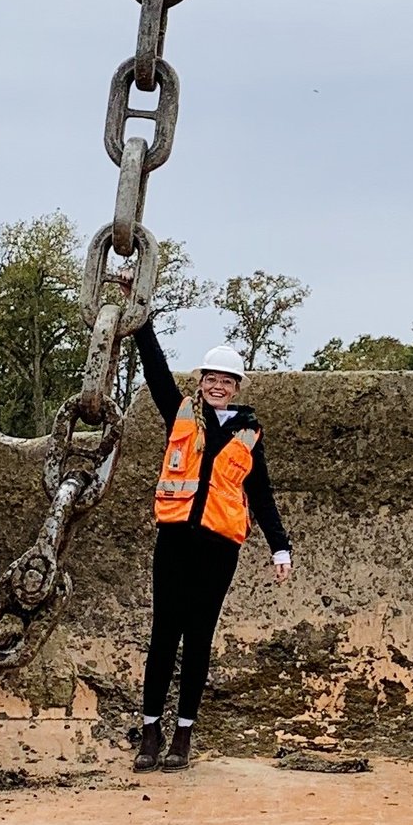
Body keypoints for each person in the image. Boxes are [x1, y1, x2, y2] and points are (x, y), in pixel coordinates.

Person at [131, 323, 292, 771]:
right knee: (163, 635)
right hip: (176, 539)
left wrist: (280, 548)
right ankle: (150, 730)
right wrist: (141, 321)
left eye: (226, 381)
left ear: (236, 387)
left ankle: (183, 732)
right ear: (201, 382)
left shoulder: (249, 434)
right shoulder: (180, 412)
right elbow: (156, 372)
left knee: (198, 638)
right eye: (211, 378)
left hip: (219, 548)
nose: (218, 386)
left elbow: (260, 494)